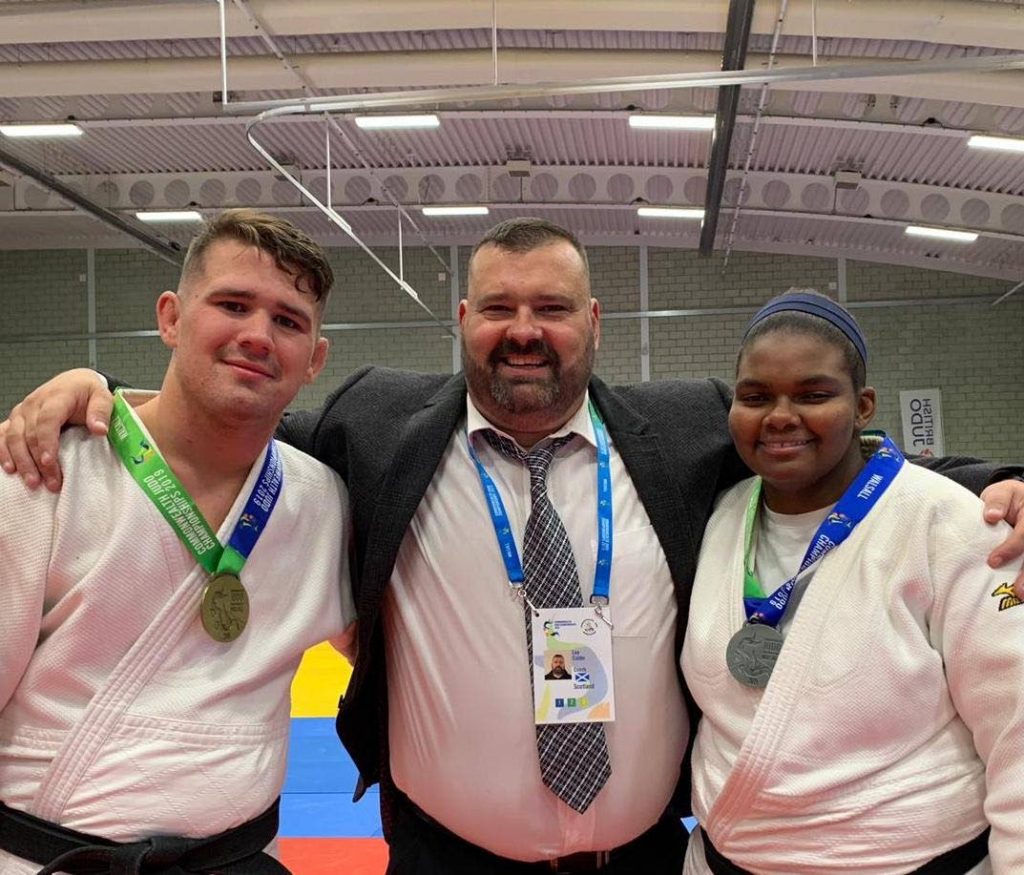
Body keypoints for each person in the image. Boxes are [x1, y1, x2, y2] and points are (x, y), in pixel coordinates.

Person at [2, 220, 1023, 875]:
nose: (522, 330)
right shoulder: (377, 426)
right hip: (444, 854)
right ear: (462, 320)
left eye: (548, 308)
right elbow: (227, 425)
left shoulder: (686, 428)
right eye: (497, 307)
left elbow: (822, 444)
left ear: (592, 320)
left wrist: (992, 484)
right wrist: (99, 396)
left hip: (642, 855)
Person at [0, 210, 356, 874]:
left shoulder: (323, 506)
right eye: (233, 304)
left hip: (242, 857)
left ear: (315, 359)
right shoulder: (40, 471)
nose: (257, 334)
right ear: (171, 317)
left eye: (287, 320)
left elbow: (398, 658)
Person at [681, 292, 1024, 874]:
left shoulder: (950, 523)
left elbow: (1016, 731)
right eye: (755, 397)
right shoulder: (717, 516)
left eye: (814, 395)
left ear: (863, 406)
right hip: (721, 858)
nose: (781, 416)